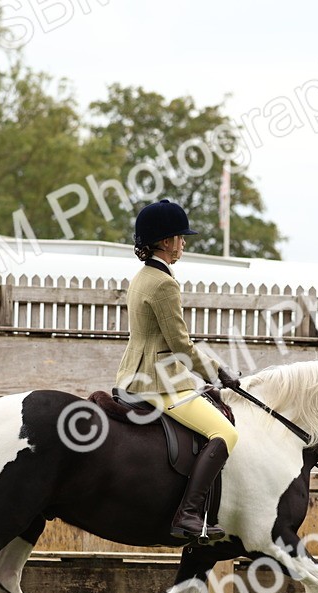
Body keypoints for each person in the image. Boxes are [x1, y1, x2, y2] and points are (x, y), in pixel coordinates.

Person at [115, 199, 241, 541]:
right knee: (225, 433)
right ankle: (188, 514)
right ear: (166, 241)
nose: (183, 244)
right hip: (160, 384)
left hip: (134, 374)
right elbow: (181, 345)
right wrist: (218, 372)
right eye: (180, 237)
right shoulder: (163, 284)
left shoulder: (142, 277)